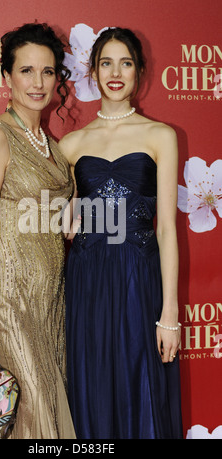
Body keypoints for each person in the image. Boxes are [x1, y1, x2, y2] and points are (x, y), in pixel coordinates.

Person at [59, 27, 183, 439]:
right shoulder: (71, 144)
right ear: (92, 71)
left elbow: (166, 228)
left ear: (139, 71)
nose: (115, 72)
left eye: (125, 63)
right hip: (87, 280)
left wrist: (170, 312)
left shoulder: (160, 136)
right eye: (106, 63)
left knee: (141, 385)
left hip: (139, 280)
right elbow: (65, 221)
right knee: (92, 384)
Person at [0, 23, 75, 439]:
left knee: (48, 411)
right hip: (11, 307)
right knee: (30, 420)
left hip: (51, 305)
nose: (38, 82)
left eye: (47, 72)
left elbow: (51, 212)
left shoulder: (50, 144)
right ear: (6, 77)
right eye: (26, 71)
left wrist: (70, 213)